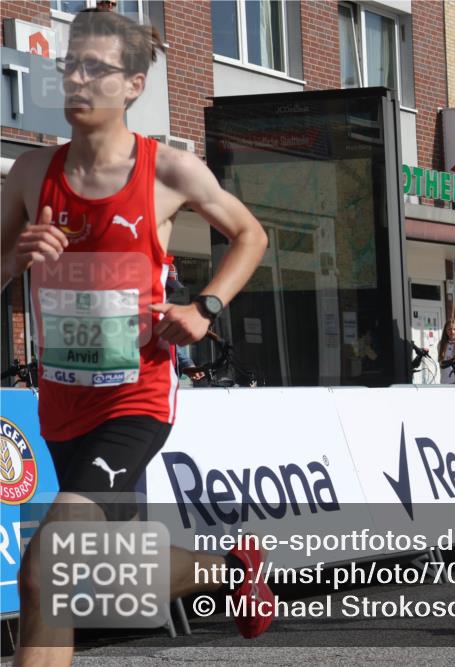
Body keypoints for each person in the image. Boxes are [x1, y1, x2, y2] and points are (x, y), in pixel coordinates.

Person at [0, 11, 271, 663]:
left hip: (137, 397)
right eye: (72, 64)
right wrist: (14, 259)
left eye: (97, 67)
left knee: (46, 570)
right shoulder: (32, 174)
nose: (78, 79)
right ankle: (234, 567)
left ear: (134, 84)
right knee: (121, 576)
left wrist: (205, 306)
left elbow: (251, 234)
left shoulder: (169, 171)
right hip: (63, 403)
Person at [437, 318, 455, 384]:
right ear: (446, 331)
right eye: (449, 329)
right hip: (445, 380)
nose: (452, 332)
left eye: (454, 329)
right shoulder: (441, 344)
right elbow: (441, 361)